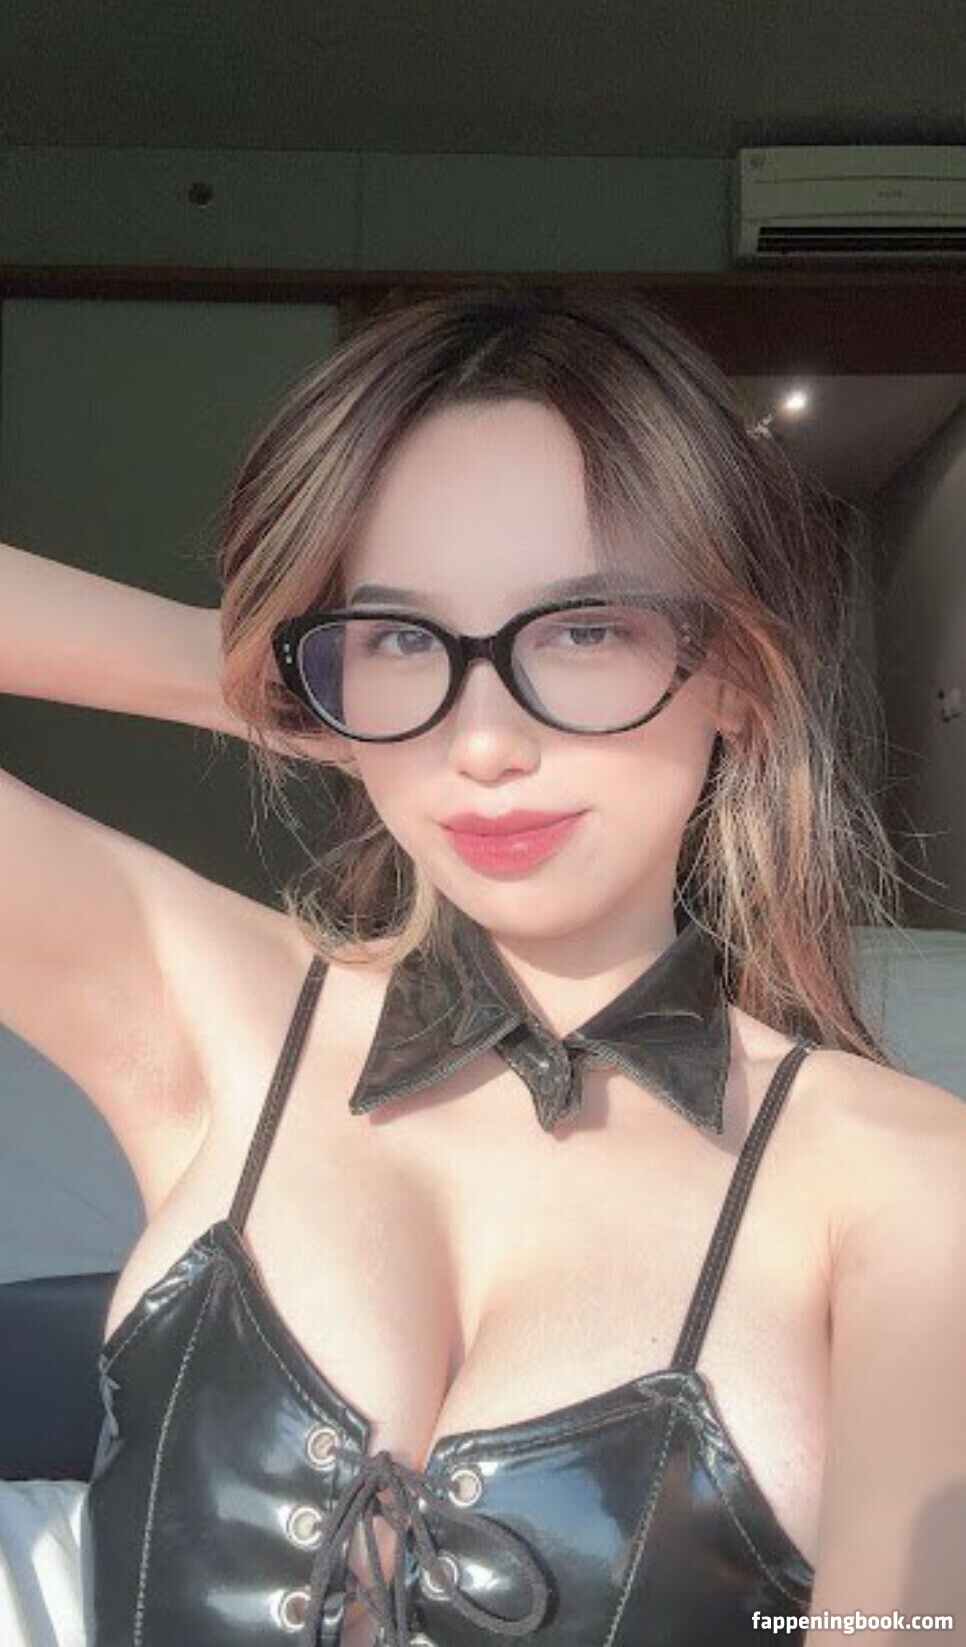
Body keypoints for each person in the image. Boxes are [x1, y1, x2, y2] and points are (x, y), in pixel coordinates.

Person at [1, 285, 963, 1646]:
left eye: (583, 628)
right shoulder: (216, 1015)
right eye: (403, 637)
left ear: (739, 675)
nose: (486, 742)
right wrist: (253, 679)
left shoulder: (905, 1187)